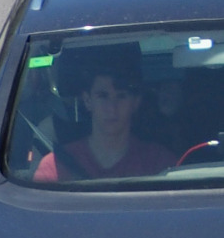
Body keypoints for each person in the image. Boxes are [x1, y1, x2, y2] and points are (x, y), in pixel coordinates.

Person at [33, 57, 174, 182]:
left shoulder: (159, 164)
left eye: (121, 96)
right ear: (88, 100)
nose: (112, 108)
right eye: (103, 96)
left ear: (135, 102)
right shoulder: (55, 167)